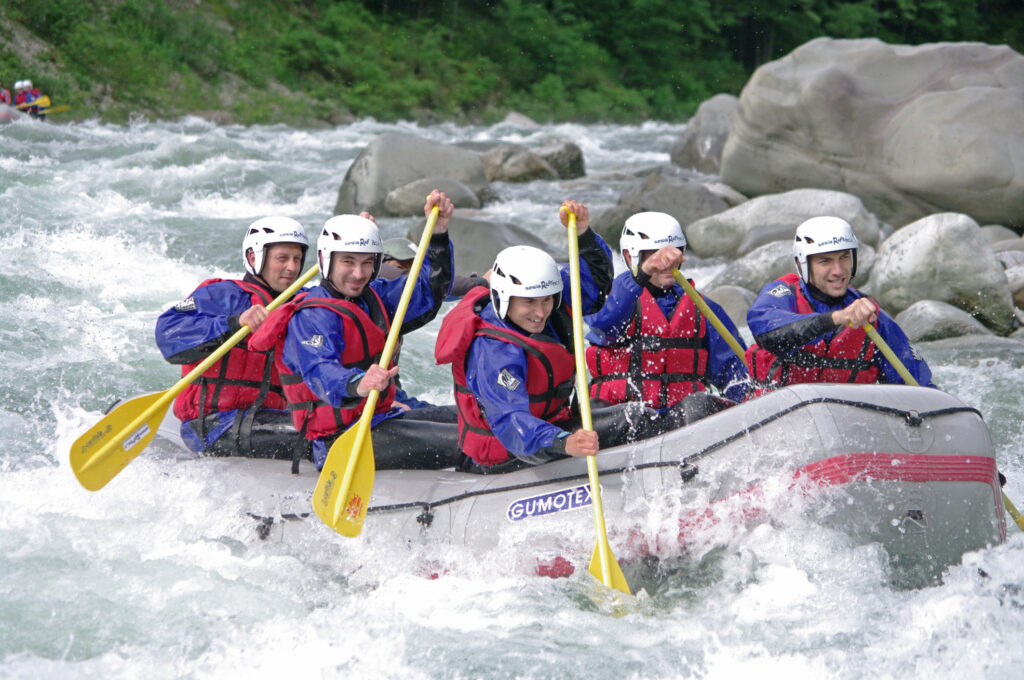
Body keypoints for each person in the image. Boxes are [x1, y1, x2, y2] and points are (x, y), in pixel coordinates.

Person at [435, 201, 684, 474]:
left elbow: (597, 288)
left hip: (553, 425)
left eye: (546, 301)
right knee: (632, 419)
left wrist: (584, 234)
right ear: (502, 298)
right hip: (506, 452)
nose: (540, 313)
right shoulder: (493, 351)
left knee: (637, 415)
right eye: (529, 303)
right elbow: (511, 422)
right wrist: (563, 442)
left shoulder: (553, 302)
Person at [266, 191, 461, 470]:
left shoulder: (376, 297)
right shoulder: (311, 316)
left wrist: (438, 234)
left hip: (378, 420)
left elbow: (429, 289)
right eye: (348, 261)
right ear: (326, 260)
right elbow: (321, 371)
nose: (359, 274)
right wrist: (358, 383)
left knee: (473, 420)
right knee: (466, 441)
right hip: (338, 440)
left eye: (367, 262)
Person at [155, 216, 311, 462]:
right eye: (282, 258)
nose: (292, 267)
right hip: (212, 425)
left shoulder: (303, 303)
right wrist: (233, 323)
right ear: (253, 258)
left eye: (297, 259)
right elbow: (168, 335)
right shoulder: (219, 294)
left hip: (268, 418)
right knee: (314, 436)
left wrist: (353, 250)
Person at [584, 212, 749, 421]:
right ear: (629, 256)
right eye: (653, 254)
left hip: (679, 422)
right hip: (622, 420)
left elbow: (735, 374)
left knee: (700, 404)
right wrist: (643, 272)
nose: (664, 262)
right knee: (615, 414)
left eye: (673, 253)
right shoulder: (610, 298)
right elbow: (603, 323)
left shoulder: (703, 309)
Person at [746, 216, 935, 390]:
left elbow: (920, 387)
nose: (838, 270)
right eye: (825, 261)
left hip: (844, 420)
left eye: (844, 257)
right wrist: (835, 318)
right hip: (777, 415)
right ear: (802, 263)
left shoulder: (870, 315)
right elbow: (768, 333)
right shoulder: (782, 294)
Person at [380, 236, 488, 299]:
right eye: (398, 268)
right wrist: (481, 283)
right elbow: (429, 285)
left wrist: (478, 286)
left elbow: (443, 290)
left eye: (416, 271)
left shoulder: (418, 294)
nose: (408, 275)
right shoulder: (377, 275)